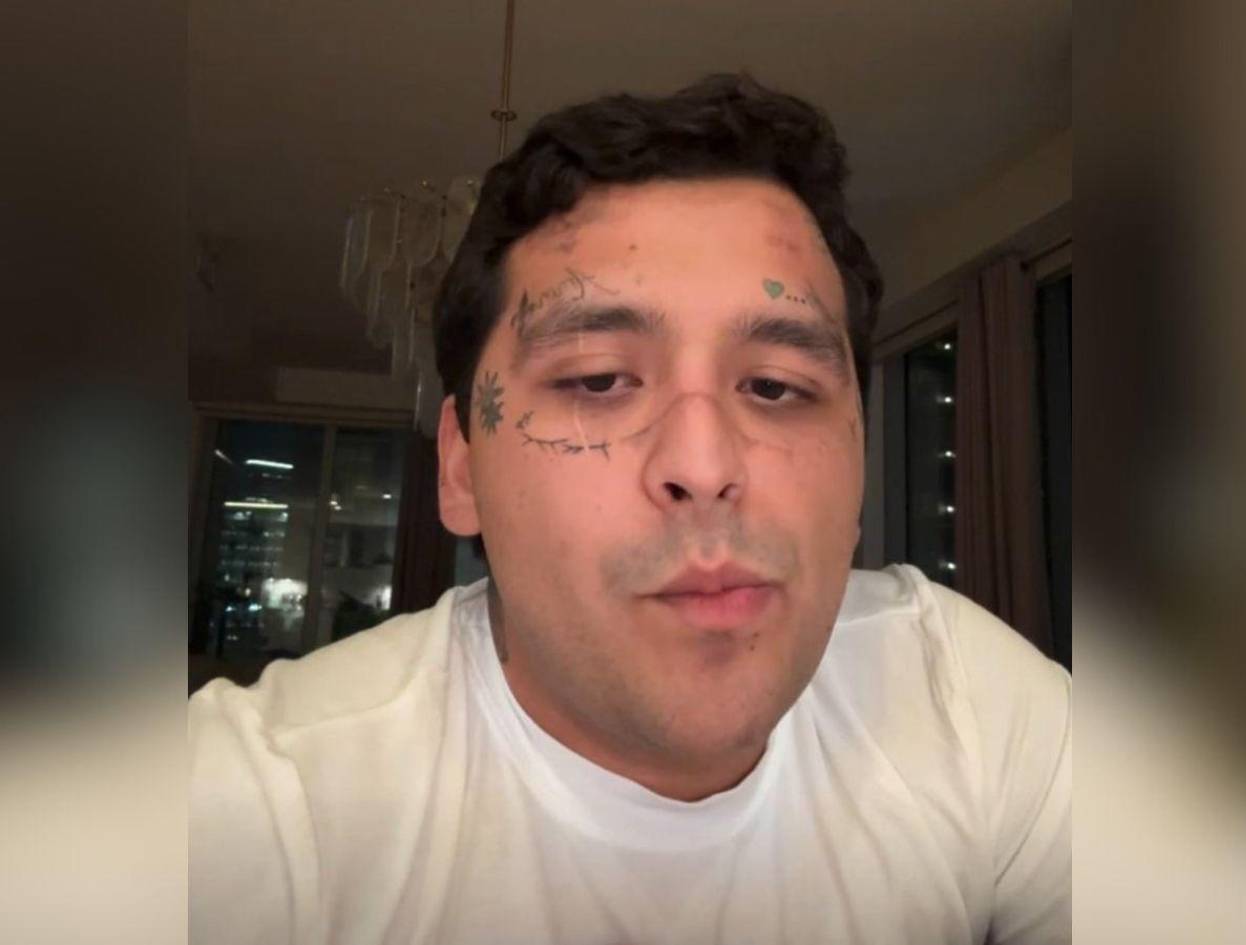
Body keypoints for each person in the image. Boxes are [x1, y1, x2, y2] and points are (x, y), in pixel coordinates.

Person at [190, 74, 1070, 944]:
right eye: (599, 379)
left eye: (775, 386)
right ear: (460, 469)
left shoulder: (964, 699)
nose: (704, 464)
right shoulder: (256, 807)